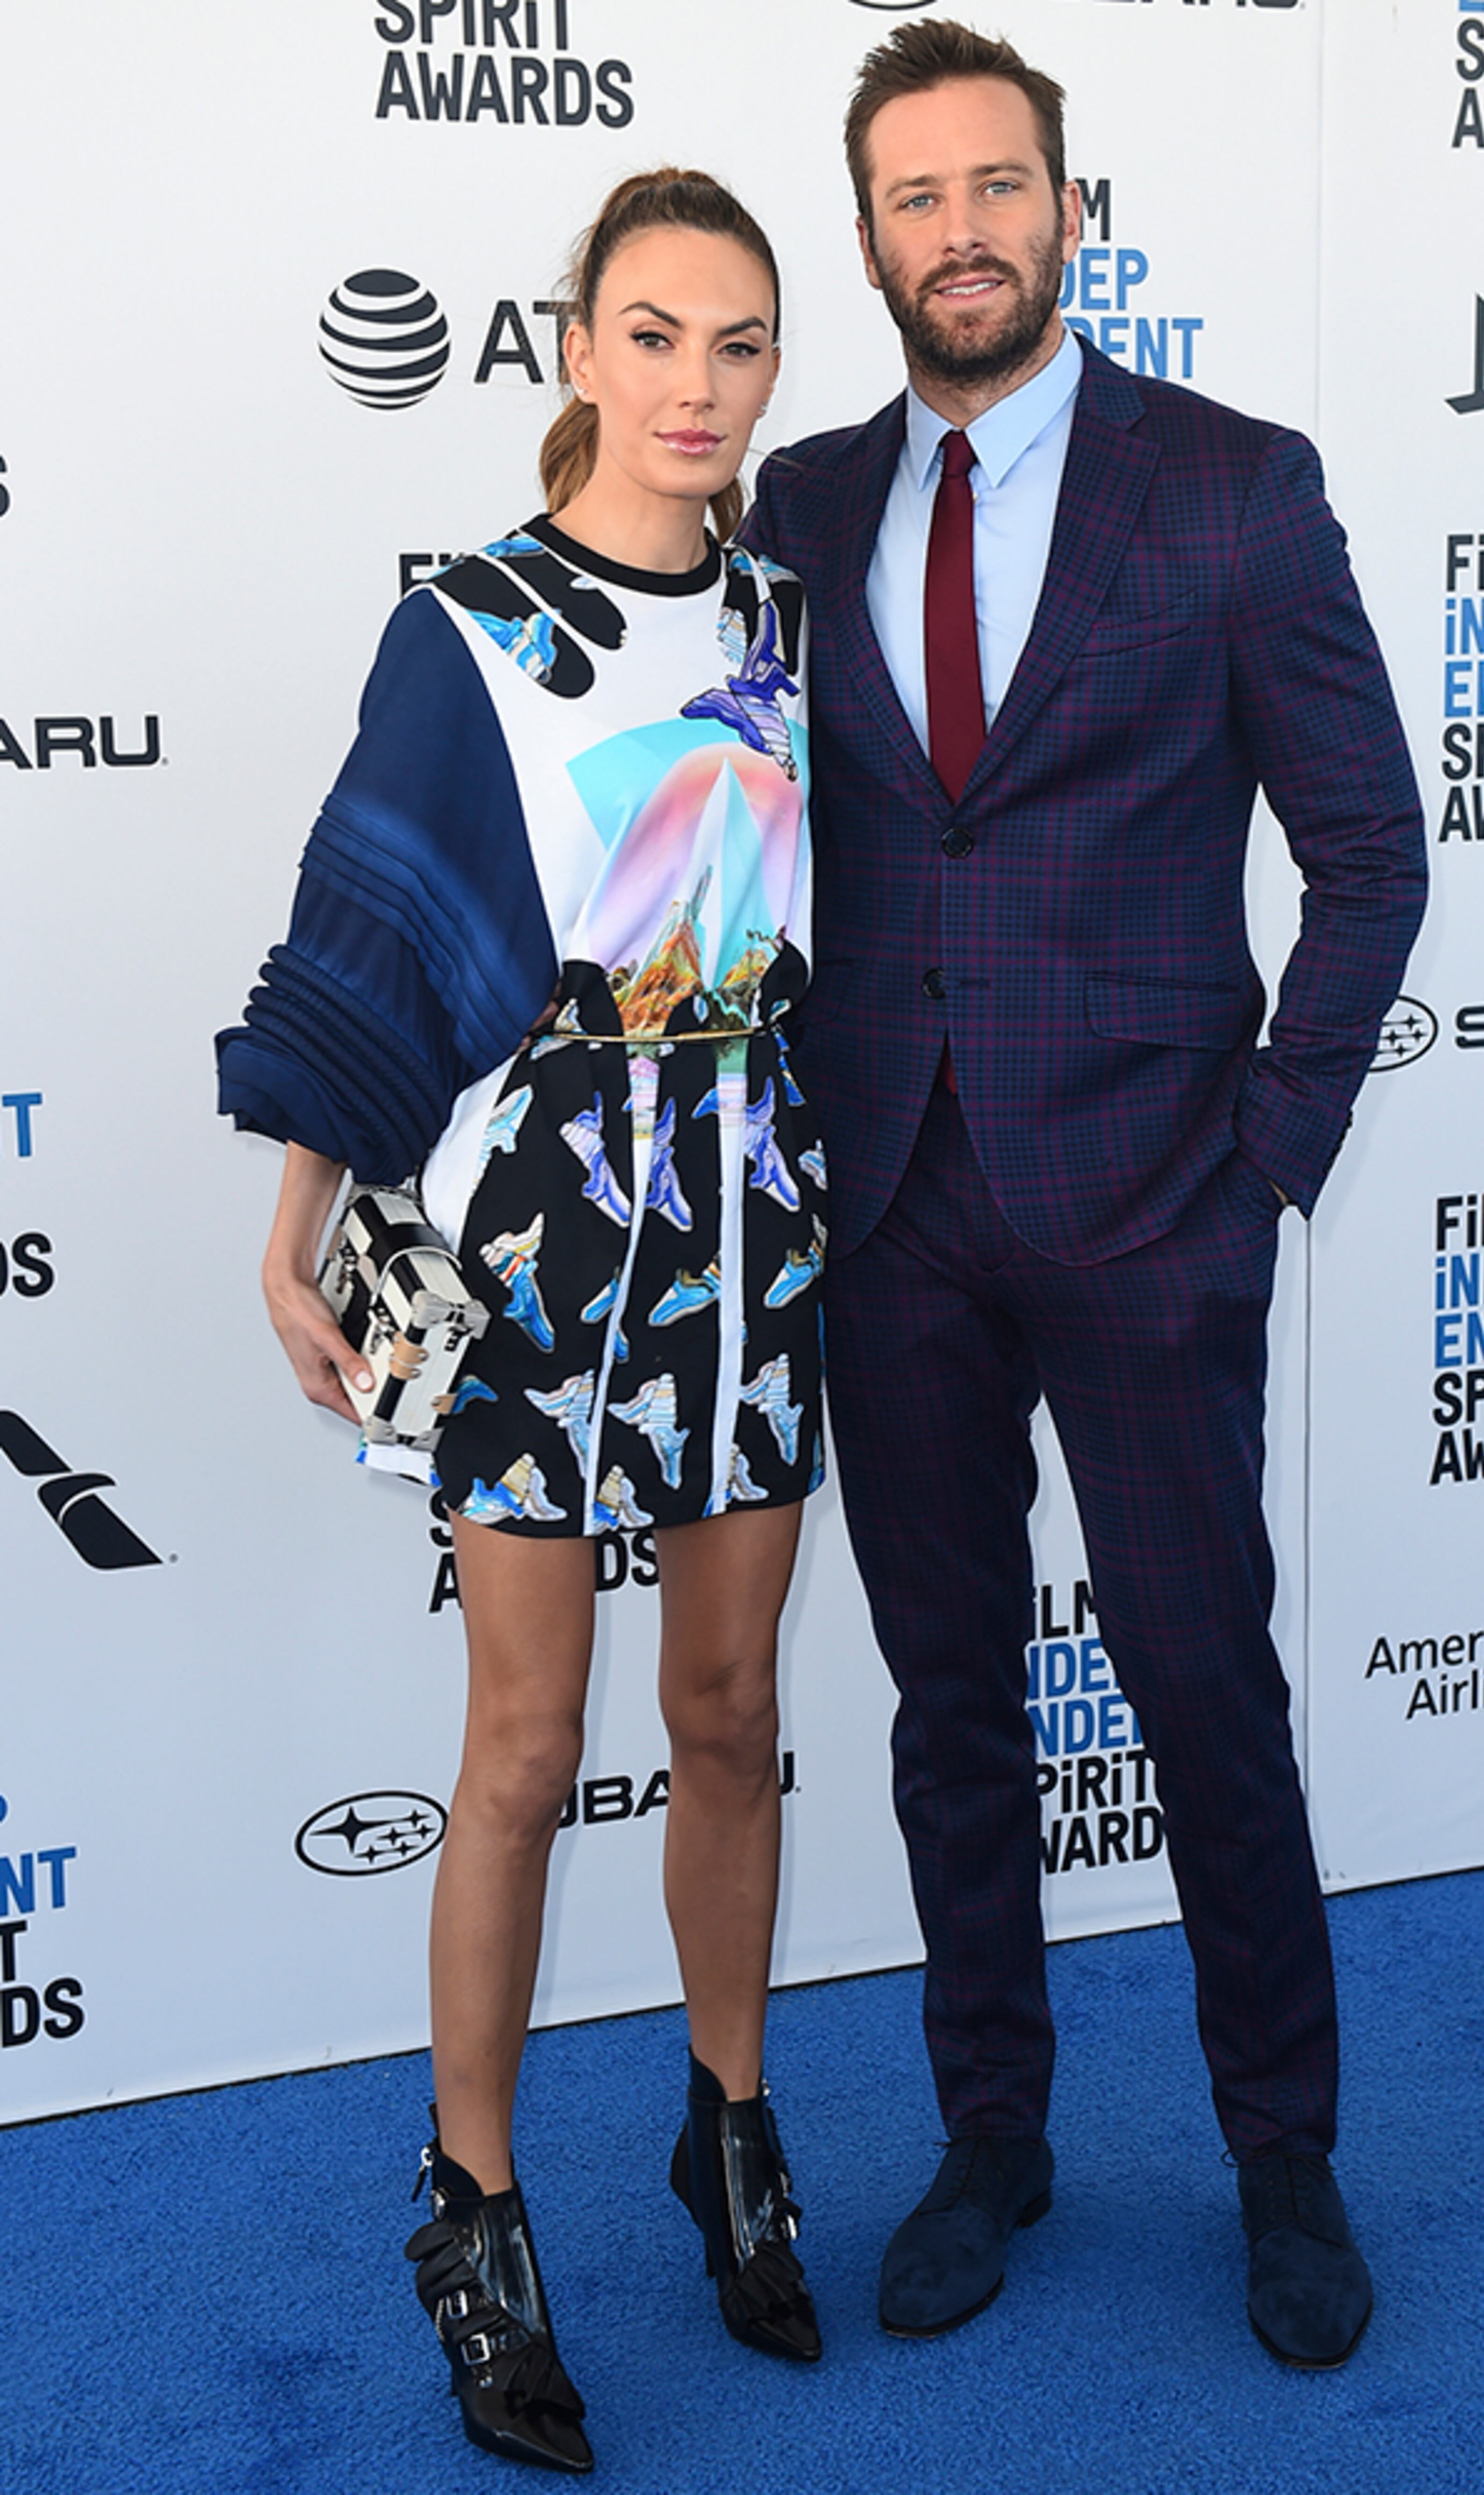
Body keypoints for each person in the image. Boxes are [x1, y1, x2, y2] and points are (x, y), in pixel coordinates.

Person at [740, 23, 1426, 2369]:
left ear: (1067, 206)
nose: (963, 231)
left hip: (1153, 1207)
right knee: (950, 1702)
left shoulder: (1231, 489)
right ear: (868, 241)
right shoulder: (801, 505)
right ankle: (993, 2130)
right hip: (889, 1208)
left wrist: (1266, 1160)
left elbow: (1368, 852)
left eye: (998, 185)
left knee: (1205, 1689)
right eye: (916, 196)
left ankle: (1284, 2155)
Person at [218, 170, 826, 2475]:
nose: (697, 386)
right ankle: (472, 2206)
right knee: (523, 1738)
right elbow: (368, 943)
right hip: (537, 1231)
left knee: (735, 1707)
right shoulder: (469, 630)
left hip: (754, 1217)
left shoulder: (787, 616)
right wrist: (295, 1229)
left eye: (740, 343)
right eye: (655, 335)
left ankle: (730, 2122)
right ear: (578, 345)